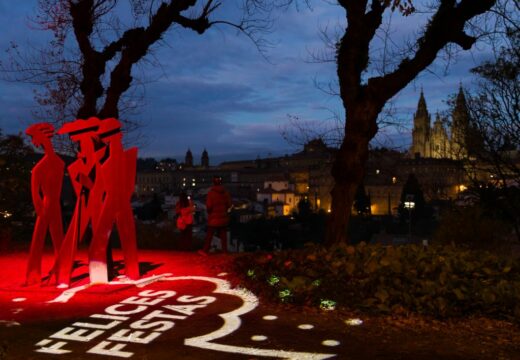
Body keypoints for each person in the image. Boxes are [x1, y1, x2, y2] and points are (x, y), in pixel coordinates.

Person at [199, 176, 231, 255]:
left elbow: (209, 206)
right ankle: (225, 251)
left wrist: (210, 212)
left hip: (214, 218)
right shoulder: (225, 193)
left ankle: (205, 251)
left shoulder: (211, 193)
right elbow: (229, 204)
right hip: (223, 217)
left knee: (209, 235)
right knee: (223, 235)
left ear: (213, 183)